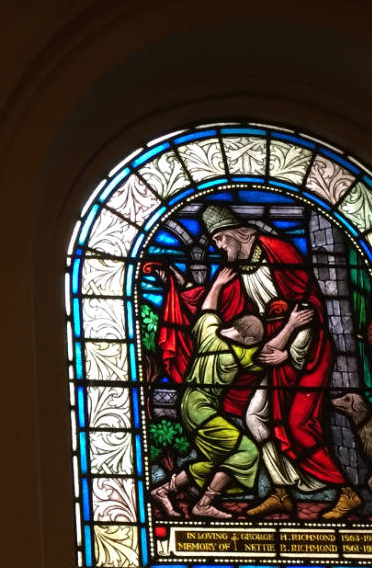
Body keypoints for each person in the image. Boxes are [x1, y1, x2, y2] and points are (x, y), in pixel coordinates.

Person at [156, 203, 360, 520]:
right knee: (255, 417)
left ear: (241, 233)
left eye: (221, 240)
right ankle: (280, 491)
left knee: (298, 425)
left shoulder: (279, 252)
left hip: (305, 355)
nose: (218, 247)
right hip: (271, 355)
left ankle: (347, 492)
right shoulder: (240, 270)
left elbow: (307, 310)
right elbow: (216, 305)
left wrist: (290, 353)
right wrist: (182, 285)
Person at [154, 264, 317, 519]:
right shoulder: (235, 353)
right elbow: (267, 352)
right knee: (247, 451)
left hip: (189, 405)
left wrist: (218, 283)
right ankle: (204, 504)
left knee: (214, 461)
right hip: (202, 410)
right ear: (248, 340)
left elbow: (208, 308)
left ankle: (165, 490)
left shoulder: (209, 331)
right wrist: (291, 325)